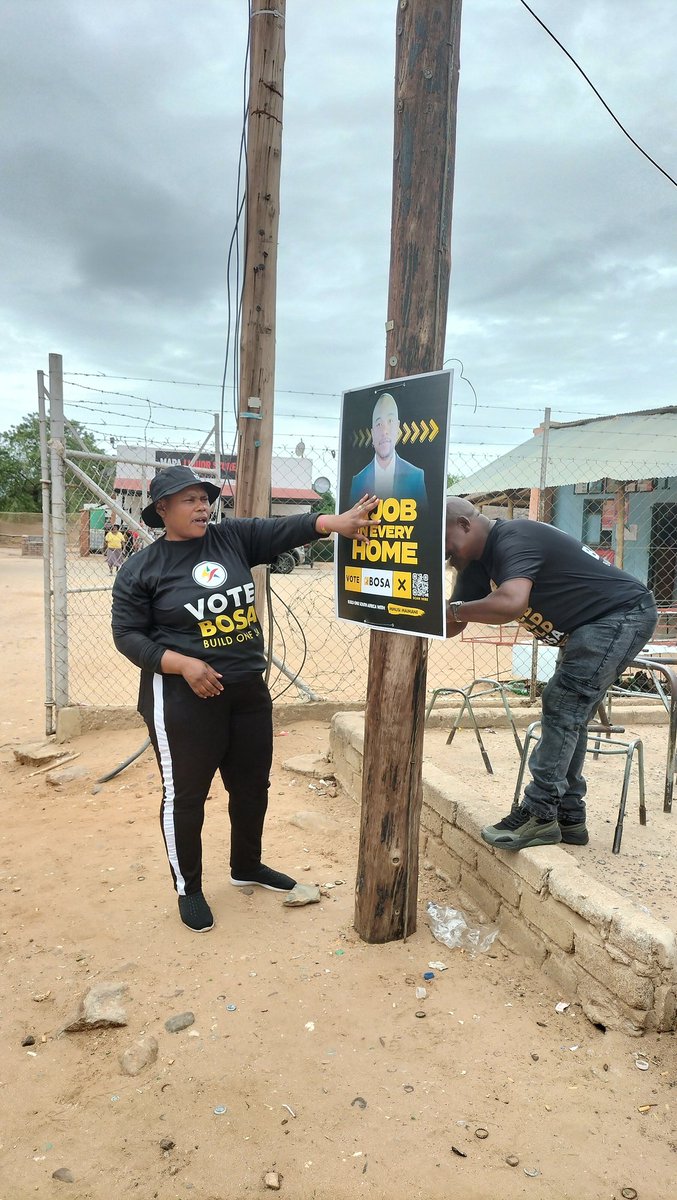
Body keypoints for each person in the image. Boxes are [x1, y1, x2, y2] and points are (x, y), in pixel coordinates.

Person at [111, 465, 379, 932]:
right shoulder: (142, 568)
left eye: (204, 499)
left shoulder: (230, 538)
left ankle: (246, 866)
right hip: (182, 697)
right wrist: (183, 664)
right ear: (162, 509)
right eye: (189, 500)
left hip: (247, 692)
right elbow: (127, 636)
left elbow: (282, 529)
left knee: (252, 786)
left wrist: (331, 522)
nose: (202, 507)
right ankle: (188, 888)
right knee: (186, 796)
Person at [444, 498, 657, 852]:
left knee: (562, 704)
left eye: (445, 544)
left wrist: (451, 609)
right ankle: (569, 817)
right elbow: (455, 622)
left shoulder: (515, 536)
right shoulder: (475, 561)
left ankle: (539, 815)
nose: (447, 556)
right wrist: (410, 614)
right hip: (590, 626)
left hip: (620, 615)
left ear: (465, 525)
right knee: (570, 715)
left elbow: (510, 602)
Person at [349, 392, 428, 511]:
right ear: (372, 433)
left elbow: (424, 521)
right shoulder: (358, 481)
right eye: (379, 424)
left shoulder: (416, 476)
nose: (384, 431)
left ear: (398, 427)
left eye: (390, 421)